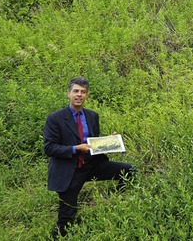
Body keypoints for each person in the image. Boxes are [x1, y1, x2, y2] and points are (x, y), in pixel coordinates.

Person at [44, 76, 135, 239]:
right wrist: (74, 149)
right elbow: (49, 148)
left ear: (87, 95)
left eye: (83, 92)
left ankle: (118, 203)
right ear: (69, 94)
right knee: (66, 216)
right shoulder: (55, 118)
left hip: (92, 165)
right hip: (70, 170)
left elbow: (93, 142)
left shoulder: (92, 116)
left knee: (130, 170)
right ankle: (58, 236)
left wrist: (109, 141)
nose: (79, 95)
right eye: (76, 91)